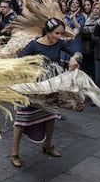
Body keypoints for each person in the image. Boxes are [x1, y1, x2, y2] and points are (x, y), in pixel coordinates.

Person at [10, 18, 82, 168]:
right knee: (22, 119)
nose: (60, 36)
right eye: (57, 33)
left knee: (50, 116)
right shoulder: (34, 45)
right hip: (33, 88)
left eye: (61, 34)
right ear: (48, 31)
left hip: (51, 86)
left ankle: (47, 145)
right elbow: (19, 61)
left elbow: (76, 51)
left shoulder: (59, 43)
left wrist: (74, 57)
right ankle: (14, 153)